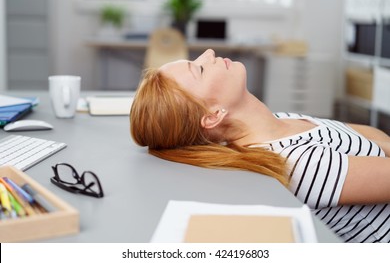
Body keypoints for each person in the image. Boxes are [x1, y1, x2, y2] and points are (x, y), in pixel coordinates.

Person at [130, 49, 390, 243]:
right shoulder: (299, 164)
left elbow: (372, 137)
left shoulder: (281, 121)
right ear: (213, 115)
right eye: (199, 69)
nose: (208, 53)